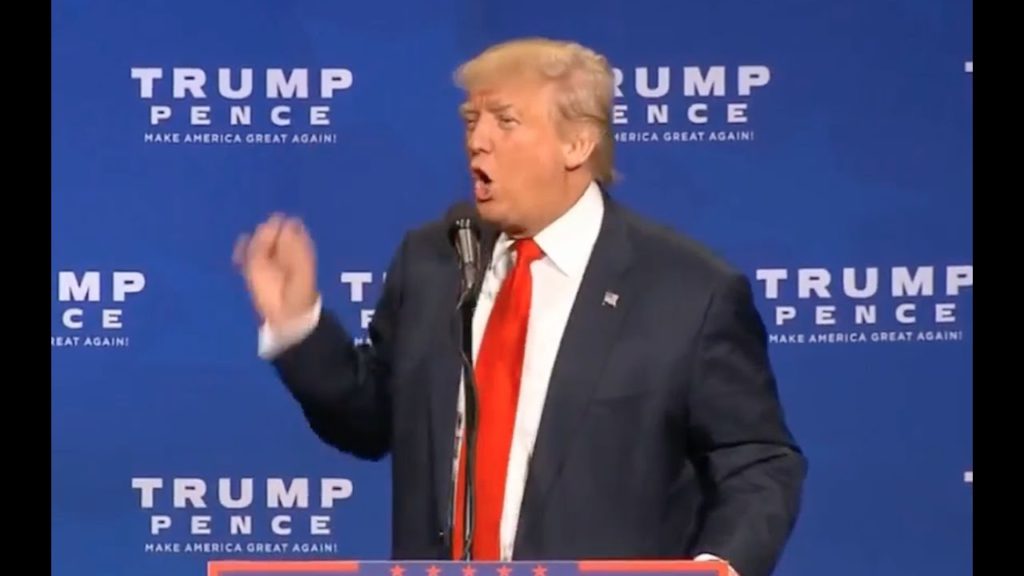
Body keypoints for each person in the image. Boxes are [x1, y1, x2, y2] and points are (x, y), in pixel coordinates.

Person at [234, 37, 806, 576]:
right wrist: (297, 324)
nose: (477, 141)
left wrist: (718, 566)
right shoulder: (435, 260)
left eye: (505, 121)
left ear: (577, 143)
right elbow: (371, 421)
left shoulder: (687, 291)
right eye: (471, 120)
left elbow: (757, 462)